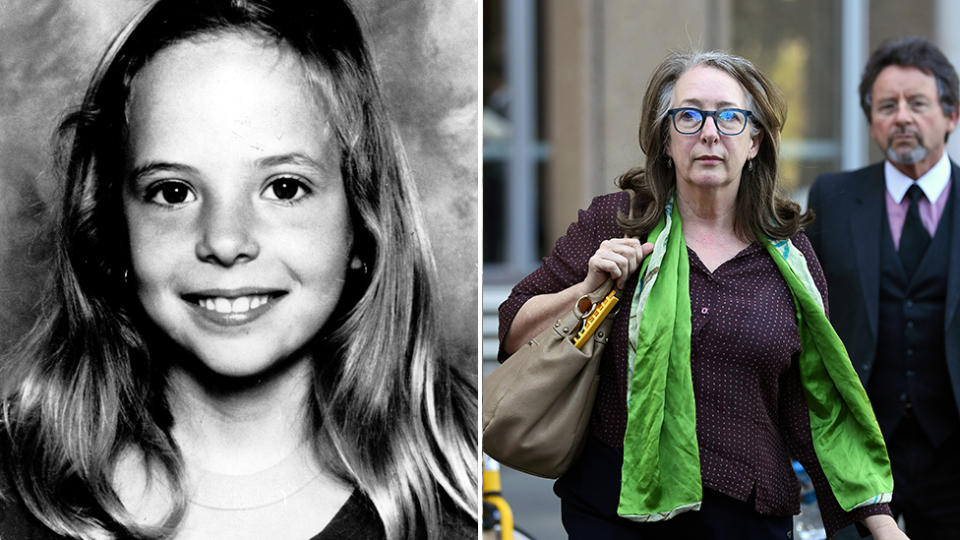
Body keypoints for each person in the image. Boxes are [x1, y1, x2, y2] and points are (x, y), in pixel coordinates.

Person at [0, 1, 477, 539]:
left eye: (284, 188)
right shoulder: (14, 496)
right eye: (173, 192)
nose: (225, 242)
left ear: (360, 220)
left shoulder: (468, 489)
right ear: (111, 226)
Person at [499, 51, 906, 540]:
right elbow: (513, 328)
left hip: (747, 518)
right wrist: (587, 290)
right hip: (618, 511)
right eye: (689, 116)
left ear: (754, 141)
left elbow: (813, 400)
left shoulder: (790, 255)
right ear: (666, 139)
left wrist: (880, 522)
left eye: (730, 117)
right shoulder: (618, 222)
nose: (709, 133)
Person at [807, 36, 960, 540]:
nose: (901, 118)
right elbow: (808, 317)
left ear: (951, 115)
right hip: (859, 448)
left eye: (917, 103)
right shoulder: (832, 197)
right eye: (886, 106)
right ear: (871, 119)